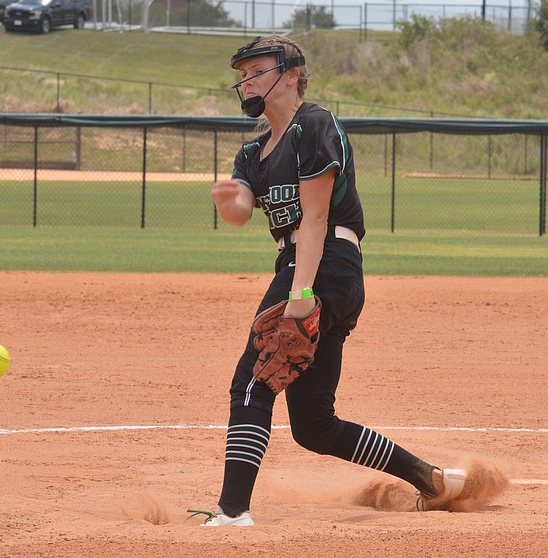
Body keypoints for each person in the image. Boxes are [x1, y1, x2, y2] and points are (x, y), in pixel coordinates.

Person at [193, 35, 466, 526]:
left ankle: (232, 510)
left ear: (292, 73)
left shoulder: (313, 126)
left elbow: (315, 220)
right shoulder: (253, 152)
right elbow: (242, 210)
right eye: (242, 74)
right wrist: (228, 200)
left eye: (257, 70)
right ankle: (432, 479)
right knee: (315, 426)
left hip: (326, 263)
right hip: (309, 266)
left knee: (252, 383)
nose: (246, 81)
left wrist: (301, 293)